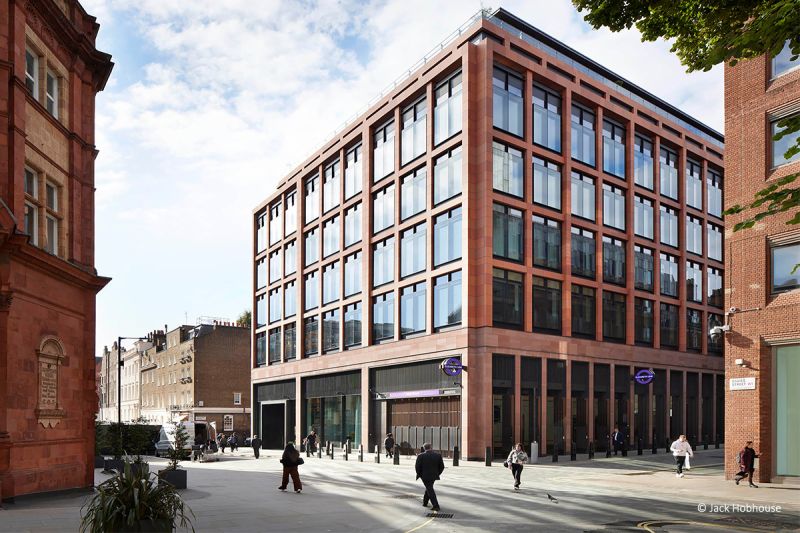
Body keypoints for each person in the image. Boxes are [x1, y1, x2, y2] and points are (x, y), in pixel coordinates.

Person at [415, 443, 444, 511]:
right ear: (431, 447)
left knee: (430, 489)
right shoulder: (438, 455)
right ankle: (425, 502)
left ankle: (436, 505)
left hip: (424, 476)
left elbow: (417, 467)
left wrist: (420, 475)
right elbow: (442, 467)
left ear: (424, 448)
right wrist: (437, 473)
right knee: (429, 488)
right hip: (434, 475)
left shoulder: (420, 456)